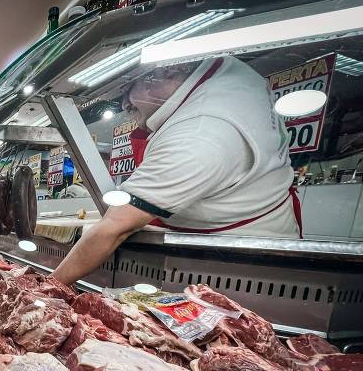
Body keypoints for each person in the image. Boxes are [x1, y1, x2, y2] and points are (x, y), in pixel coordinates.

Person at [53, 57, 301, 286]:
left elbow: (114, 228)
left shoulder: (198, 135)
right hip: (215, 249)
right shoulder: (228, 76)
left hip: (240, 270)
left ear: (168, 68)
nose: (125, 103)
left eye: (128, 88)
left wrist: (46, 290)